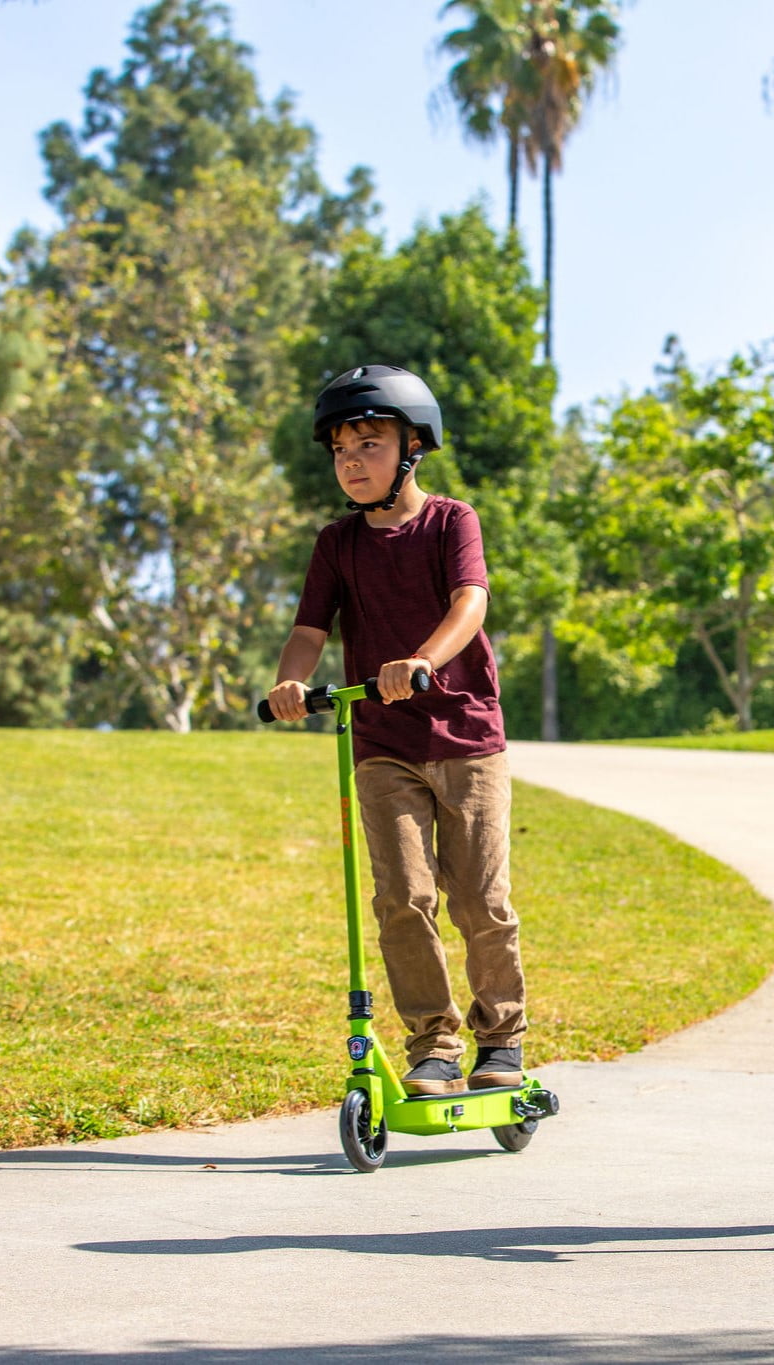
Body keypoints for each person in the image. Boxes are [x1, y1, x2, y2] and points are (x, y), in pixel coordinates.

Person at [266, 363, 527, 1096]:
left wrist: (421, 659)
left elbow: (469, 603)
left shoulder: (452, 521)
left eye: (369, 443)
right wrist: (289, 680)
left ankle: (500, 1037)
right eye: (341, 450)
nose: (351, 460)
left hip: (466, 737)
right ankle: (433, 1046)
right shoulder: (336, 543)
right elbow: (308, 629)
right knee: (402, 897)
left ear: (413, 445)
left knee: (479, 896)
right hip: (382, 746)